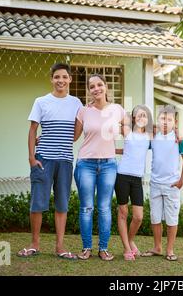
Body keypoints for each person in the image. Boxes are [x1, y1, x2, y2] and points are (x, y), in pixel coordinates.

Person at [18, 63, 83, 260]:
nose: (60, 80)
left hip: (65, 161)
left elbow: (78, 129)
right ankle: (34, 244)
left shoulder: (76, 103)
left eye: (64, 77)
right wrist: (31, 158)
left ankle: (60, 247)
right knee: (38, 203)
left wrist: (66, 139)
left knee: (62, 205)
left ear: (70, 79)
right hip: (43, 159)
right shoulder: (41, 101)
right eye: (57, 77)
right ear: (51, 79)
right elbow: (32, 131)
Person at [74, 73, 125, 261]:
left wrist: (169, 135)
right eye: (92, 86)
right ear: (89, 91)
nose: (96, 89)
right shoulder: (84, 111)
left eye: (99, 85)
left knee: (104, 208)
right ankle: (86, 248)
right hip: (85, 163)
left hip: (108, 165)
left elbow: (134, 130)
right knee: (86, 207)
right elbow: (73, 137)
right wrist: (45, 139)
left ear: (106, 87)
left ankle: (103, 249)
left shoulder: (117, 110)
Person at [141, 105, 183, 261]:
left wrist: (181, 180)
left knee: (171, 219)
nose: (165, 122)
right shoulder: (153, 136)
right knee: (155, 218)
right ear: (158, 120)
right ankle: (157, 247)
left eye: (169, 119)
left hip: (172, 185)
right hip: (155, 184)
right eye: (162, 118)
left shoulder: (179, 139)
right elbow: (139, 134)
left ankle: (169, 250)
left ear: (174, 122)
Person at [115, 105, 153, 261]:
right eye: (138, 115)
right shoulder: (127, 131)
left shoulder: (149, 136)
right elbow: (114, 119)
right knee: (123, 213)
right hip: (122, 176)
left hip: (137, 179)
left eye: (144, 115)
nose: (141, 118)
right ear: (133, 118)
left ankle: (130, 240)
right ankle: (126, 248)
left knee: (138, 217)